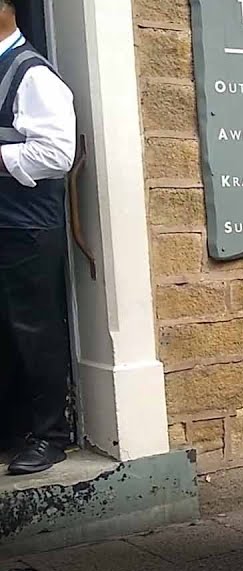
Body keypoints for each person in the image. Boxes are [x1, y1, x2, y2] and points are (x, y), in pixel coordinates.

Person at [0, 0, 77, 475]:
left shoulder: (33, 74)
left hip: (26, 226)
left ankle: (51, 437)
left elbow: (56, 154)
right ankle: (10, 430)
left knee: (34, 332)